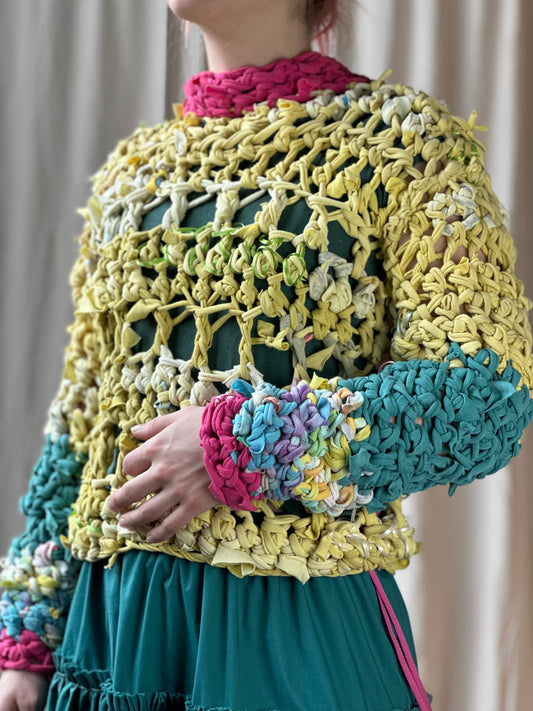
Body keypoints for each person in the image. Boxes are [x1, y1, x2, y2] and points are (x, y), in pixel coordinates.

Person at [1, 0, 532, 709]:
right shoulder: (129, 177)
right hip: (113, 630)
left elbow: (485, 394)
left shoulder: (404, 144)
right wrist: (30, 628)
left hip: (291, 626)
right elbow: (81, 420)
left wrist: (243, 447)